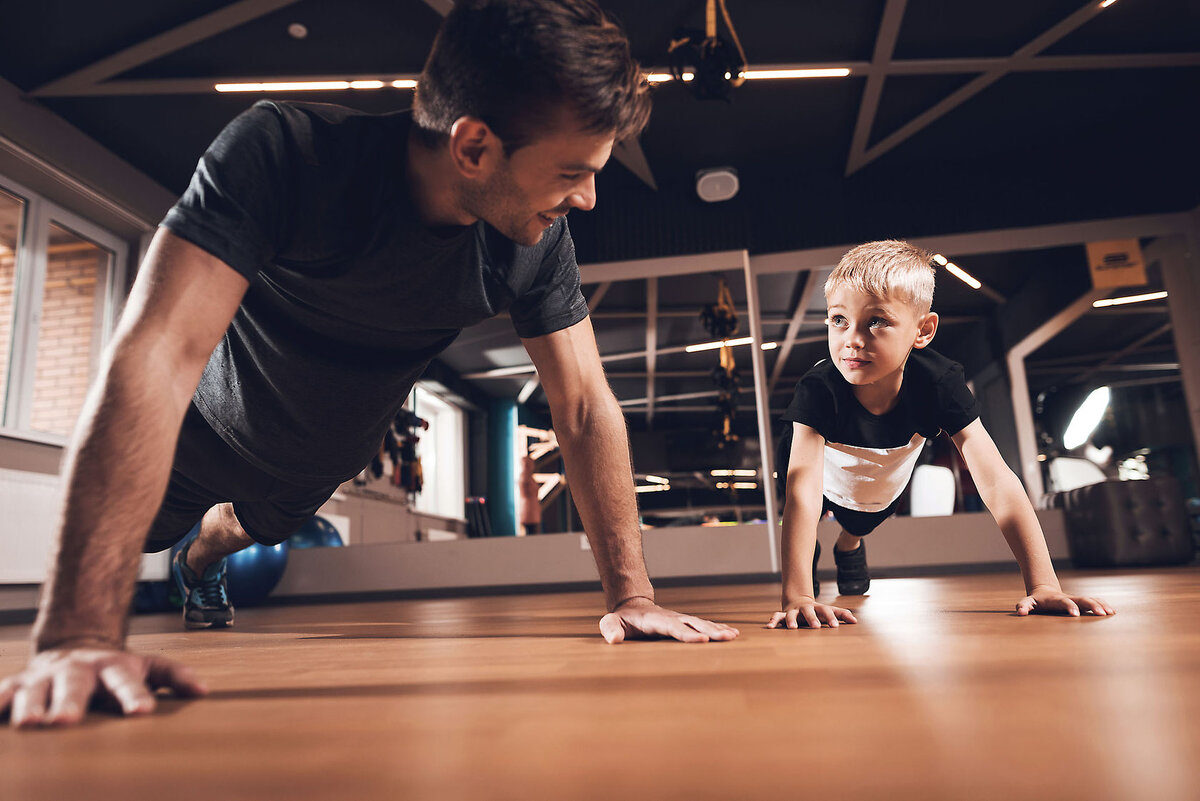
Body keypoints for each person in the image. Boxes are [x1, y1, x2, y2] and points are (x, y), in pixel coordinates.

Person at [0, 0, 738, 729]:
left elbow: (580, 405)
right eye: (573, 172)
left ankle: (203, 560)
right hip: (202, 438)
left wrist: (631, 595)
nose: (587, 196)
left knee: (233, 532)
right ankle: (180, 553)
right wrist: (79, 636)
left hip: (314, 466)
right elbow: (157, 355)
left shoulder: (533, 244)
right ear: (474, 147)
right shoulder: (284, 156)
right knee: (141, 535)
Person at [767, 240, 1116, 630]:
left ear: (923, 331)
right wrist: (798, 595)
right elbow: (804, 491)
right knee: (807, 512)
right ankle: (811, 554)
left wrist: (1044, 584)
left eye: (877, 321)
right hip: (814, 463)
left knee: (863, 520)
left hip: (878, 473)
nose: (852, 339)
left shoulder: (939, 382)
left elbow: (997, 480)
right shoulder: (819, 388)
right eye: (838, 320)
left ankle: (848, 543)